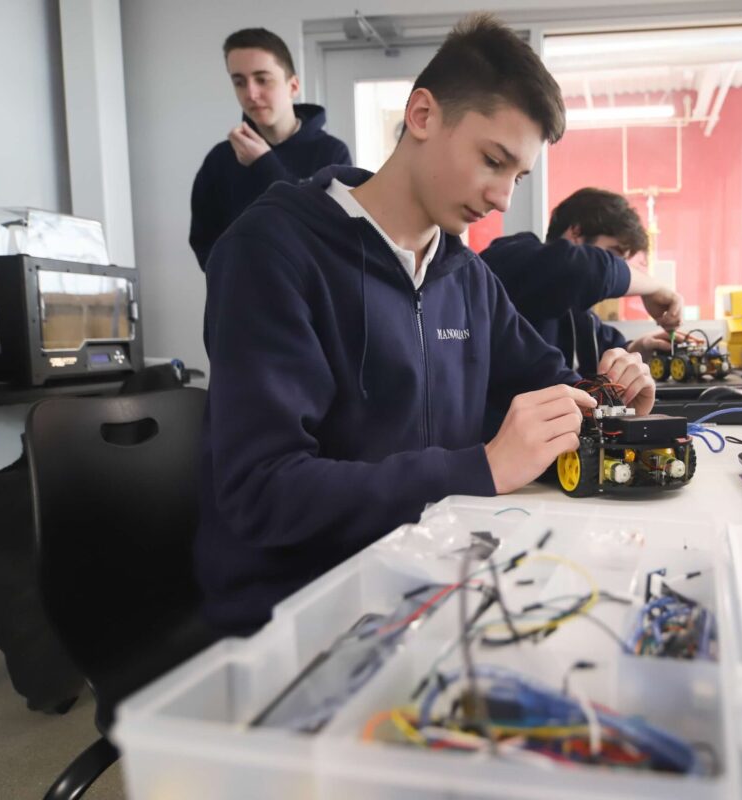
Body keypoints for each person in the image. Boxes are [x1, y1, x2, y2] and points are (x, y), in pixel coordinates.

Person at [197, 14, 654, 635]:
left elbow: (552, 387)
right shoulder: (271, 252)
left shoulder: (464, 277)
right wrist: (481, 468)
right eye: (492, 160)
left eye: (517, 176)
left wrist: (608, 395)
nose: (502, 198)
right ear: (421, 115)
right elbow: (262, 491)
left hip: (436, 582)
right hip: (305, 611)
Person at [189, 27, 353, 270]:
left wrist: (265, 166)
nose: (251, 94)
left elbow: (334, 235)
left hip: (310, 293)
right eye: (239, 82)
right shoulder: (220, 158)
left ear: (293, 86)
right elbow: (204, 241)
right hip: (239, 290)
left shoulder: (332, 153)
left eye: (262, 79)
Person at [482, 187, 684, 375]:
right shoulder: (513, 257)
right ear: (576, 233)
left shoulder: (577, 311)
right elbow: (590, 269)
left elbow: (600, 350)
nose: (618, 267)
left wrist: (638, 348)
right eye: (613, 254)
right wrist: (653, 288)